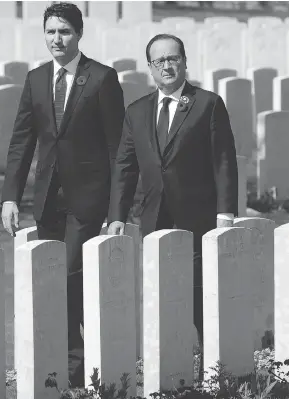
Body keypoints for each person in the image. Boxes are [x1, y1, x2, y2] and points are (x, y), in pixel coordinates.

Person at [1, 1, 125, 383]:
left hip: (88, 201)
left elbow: (118, 149)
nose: (57, 38)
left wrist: (117, 210)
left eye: (65, 31)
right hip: (47, 200)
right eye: (51, 31)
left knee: (71, 274)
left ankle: (78, 364)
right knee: (54, 278)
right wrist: (10, 196)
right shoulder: (37, 79)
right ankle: (77, 360)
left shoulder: (102, 78)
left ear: (79, 34)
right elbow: (22, 141)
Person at [107, 33, 238, 374]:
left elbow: (223, 160)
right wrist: (117, 215)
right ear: (150, 67)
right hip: (154, 219)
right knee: (161, 298)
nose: (166, 65)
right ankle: (167, 370)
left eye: (172, 58)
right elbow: (124, 166)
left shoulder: (207, 104)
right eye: (159, 61)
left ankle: (213, 370)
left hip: (198, 219)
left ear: (184, 61)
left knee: (198, 298)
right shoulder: (137, 111)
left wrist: (226, 212)